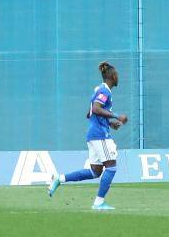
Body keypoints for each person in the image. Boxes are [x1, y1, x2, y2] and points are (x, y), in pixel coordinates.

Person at [48, 61, 129, 211]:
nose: (119, 78)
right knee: (111, 167)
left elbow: (89, 113)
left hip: (93, 134)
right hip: (100, 135)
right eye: (117, 75)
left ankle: (59, 179)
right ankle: (98, 203)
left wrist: (110, 123)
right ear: (112, 76)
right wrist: (116, 116)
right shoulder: (104, 91)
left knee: (95, 172)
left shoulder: (99, 90)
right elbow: (96, 109)